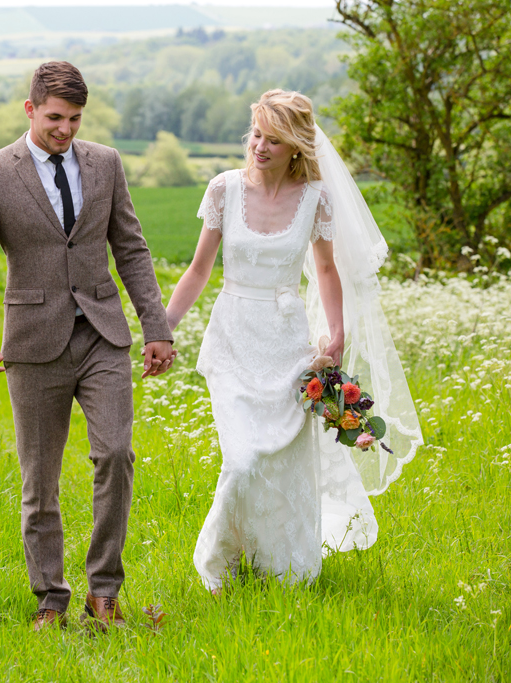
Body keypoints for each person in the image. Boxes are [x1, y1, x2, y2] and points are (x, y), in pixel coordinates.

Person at [164, 89, 422, 590]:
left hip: (288, 342)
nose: (259, 146)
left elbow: (326, 270)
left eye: (273, 139)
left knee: (282, 459)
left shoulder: (316, 199)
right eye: (256, 133)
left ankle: (279, 566)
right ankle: (222, 564)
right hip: (234, 338)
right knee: (242, 460)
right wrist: (162, 327)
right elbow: (198, 270)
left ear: (296, 147)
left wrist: (338, 332)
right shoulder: (224, 190)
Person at [0, 61, 175, 630]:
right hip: (32, 343)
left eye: (75, 119)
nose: (65, 130)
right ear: (30, 110)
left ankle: (105, 592)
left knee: (116, 455)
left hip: (102, 334)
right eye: (55, 117)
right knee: (40, 479)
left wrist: (156, 327)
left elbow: (131, 248)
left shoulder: (105, 163)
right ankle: (50, 598)